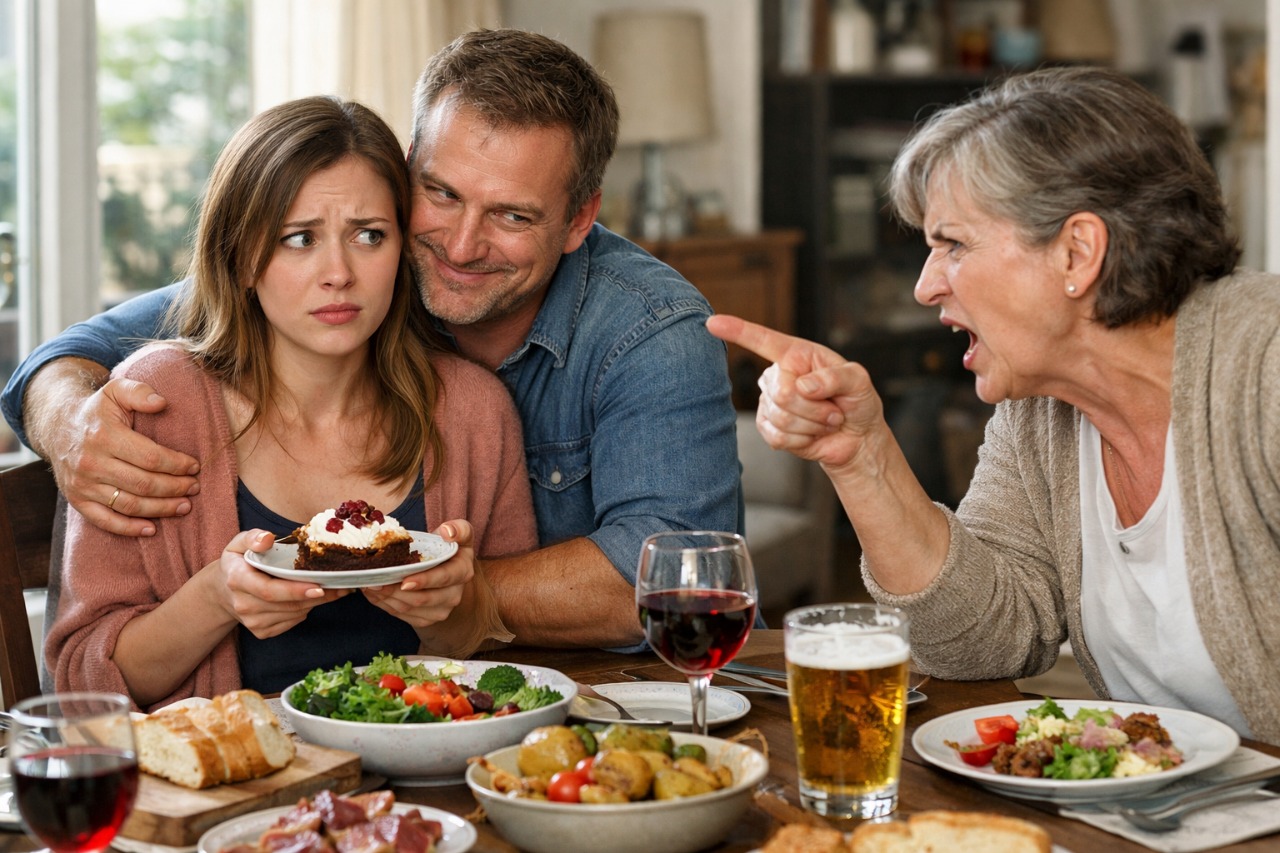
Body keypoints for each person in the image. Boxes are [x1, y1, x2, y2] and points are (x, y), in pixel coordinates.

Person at [2, 29, 740, 652]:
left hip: (628, 694)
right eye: (442, 192)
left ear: (579, 220)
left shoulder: (651, 334)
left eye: (512, 216)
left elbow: (666, 577)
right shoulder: (364, 268)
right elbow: (132, 329)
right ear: (412, 161)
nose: (460, 243)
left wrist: (450, 587)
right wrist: (66, 419)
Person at [709, 66, 1280, 746]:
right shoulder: (1041, 412)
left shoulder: (1263, 367)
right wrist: (861, 455)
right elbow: (979, 641)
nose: (926, 287)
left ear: (1077, 252)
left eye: (952, 244)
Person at [45, 95, 537, 710]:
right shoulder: (155, 404)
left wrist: (452, 612)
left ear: (403, 251)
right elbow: (81, 687)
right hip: (230, 786)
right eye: (299, 238)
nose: (339, 273)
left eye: (369, 235)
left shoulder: (473, 412)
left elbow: (508, 674)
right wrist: (218, 598)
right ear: (243, 255)